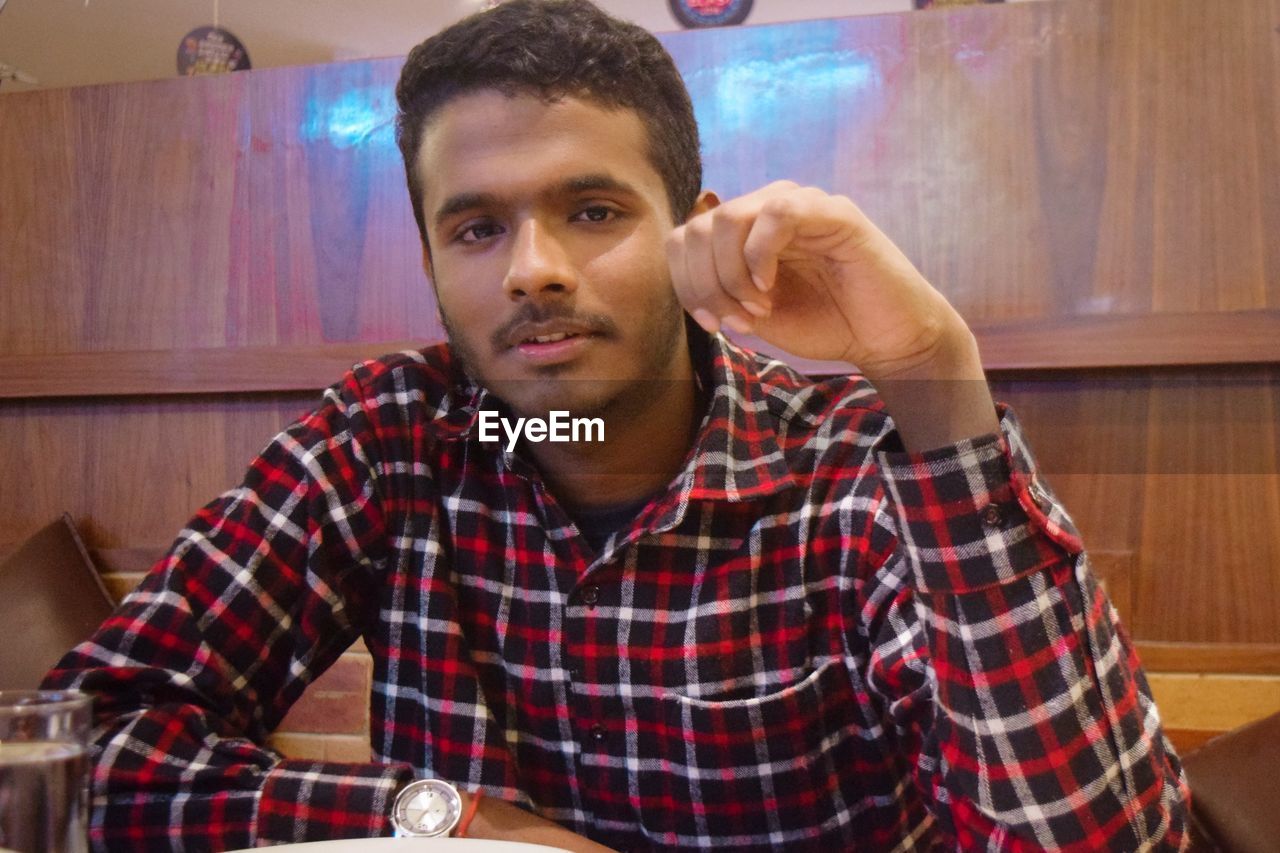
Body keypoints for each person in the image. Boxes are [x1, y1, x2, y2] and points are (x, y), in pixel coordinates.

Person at [45, 0, 1189, 849]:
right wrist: (442, 817)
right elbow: (83, 747)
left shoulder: (841, 465)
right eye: (478, 228)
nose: (533, 271)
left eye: (591, 211)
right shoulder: (401, 441)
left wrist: (934, 376)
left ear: (689, 230)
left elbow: (1093, 838)